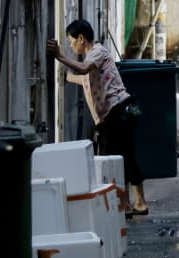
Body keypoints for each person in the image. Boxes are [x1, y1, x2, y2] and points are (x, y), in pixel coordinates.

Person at [46, 19, 148, 218]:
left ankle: (139, 203)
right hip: (114, 115)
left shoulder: (98, 52)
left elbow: (84, 69)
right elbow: (83, 77)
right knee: (119, 158)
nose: (71, 45)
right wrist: (66, 76)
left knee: (120, 158)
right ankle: (127, 204)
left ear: (81, 38)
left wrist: (60, 56)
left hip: (120, 112)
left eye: (71, 41)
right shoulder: (91, 58)